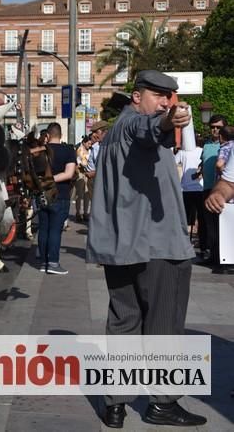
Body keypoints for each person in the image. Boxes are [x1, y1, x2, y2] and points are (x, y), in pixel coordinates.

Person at [86, 70, 206, 428]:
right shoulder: (137, 124)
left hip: (121, 247)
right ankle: (162, 403)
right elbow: (153, 128)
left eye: (170, 97)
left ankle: (115, 406)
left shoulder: (112, 134)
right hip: (157, 246)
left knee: (123, 323)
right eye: (158, 96)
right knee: (164, 324)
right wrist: (169, 119)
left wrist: (167, 119)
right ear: (137, 96)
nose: (167, 103)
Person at [36, 122, 76, 275]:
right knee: (55, 230)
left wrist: (44, 181)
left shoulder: (40, 151)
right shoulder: (68, 150)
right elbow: (69, 174)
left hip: (41, 194)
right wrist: (52, 179)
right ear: (61, 135)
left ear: (47, 135)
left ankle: (43, 262)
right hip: (60, 195)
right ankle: (53, 263)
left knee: (43, 229)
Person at [200, 114, 228, 272]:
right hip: (207, 188)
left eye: (218, 127)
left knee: (222, 226)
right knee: (210, 225)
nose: (215, 130)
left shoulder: (228, 145)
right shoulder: (207, 144)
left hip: (223, 190)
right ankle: (214, 255)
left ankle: (224, 259)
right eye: (213, 127)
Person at [174, 134, 204, 243]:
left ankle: (187, 240)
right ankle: (199, 241)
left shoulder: (183, 152)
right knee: (198, 216)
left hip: (190, 189)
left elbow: (173, 164)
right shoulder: (199, 151)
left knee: (186, 217)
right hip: (195, 189)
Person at [74, 135, 93, 222]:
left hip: (88, 174)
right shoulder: (79, 150)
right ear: (84, 142)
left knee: (87, 194)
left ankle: (86, 213)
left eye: (90, 143)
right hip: (81, 174)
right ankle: (78, 213)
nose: (90, 145)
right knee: (79, 194)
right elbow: (79, 162)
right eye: (88, 143)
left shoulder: (90, 150)